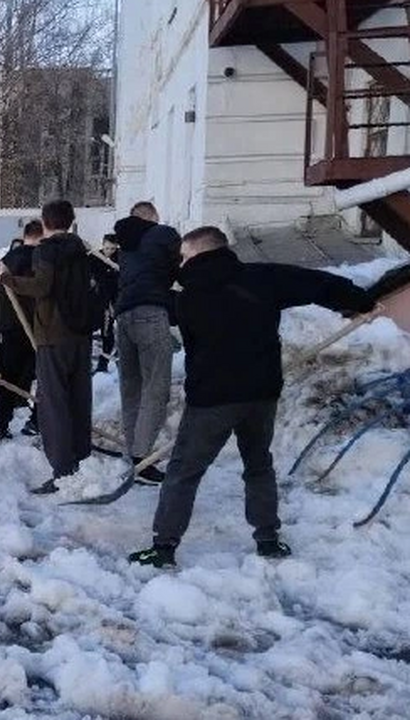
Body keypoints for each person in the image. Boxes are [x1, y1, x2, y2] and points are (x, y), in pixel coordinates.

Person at [129, 226, 375, 568]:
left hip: (211, 400)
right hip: (261, 395)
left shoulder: (188, 298)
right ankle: (268, 540)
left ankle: (163, 547)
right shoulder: (263, 277)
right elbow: (316, 283)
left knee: (184, 472)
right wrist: (360, 302)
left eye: (184, 257)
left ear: (200, 253)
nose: (180, 264)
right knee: (259, 466)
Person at [0, 201, 94, 493]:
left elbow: (41, 287)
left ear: (45, 222)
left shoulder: (46, 251)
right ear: (71, 221)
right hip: (81, 335)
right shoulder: (81, 249)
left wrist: (7, 279)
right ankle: (81, 456)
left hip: (53, 335)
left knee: (53, 403)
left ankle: (62, 469)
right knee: (79, 397)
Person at [112, 202, 183, 486]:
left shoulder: (124, 246)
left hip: (123, 316)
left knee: (131, 389)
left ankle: (134, 453)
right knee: (156, 387)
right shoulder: (163, 234)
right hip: (151, 313)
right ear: (153, 217)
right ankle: (142, 460)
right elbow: (182, 265)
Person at [0, 221, 43, 440]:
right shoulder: (39, 259)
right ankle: (37, 421)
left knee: (9, 377)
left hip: (10, 328)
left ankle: (0, 426)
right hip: (35, 328)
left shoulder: (7, 259)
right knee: (45, 376)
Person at [92, 234, 121, 375]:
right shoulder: (95, 258)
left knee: (119, 333)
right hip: (101, 302)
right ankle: (102, 365)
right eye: (107, 248)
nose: (110, 251)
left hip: (118, 300)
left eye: (113, 249)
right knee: (106, 333)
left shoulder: (120, 257)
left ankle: (109, 363)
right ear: (103, 245)